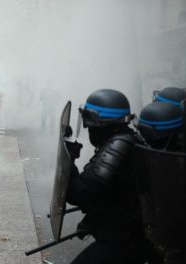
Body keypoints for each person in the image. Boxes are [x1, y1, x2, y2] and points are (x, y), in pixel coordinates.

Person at [66, 89, 158, 264]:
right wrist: (92, 221)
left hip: (124, 239)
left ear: (98, 122)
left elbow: (79, 192)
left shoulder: (118, 146)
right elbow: (109, 193)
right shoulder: (128, 138)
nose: (87, 127)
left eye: (88, 121)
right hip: (128, 233)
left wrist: (68, 160)